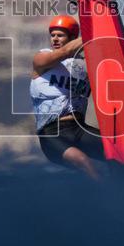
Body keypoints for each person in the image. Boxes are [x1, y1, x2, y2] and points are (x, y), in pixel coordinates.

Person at [30, 15, 105, 181]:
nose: (55, 39)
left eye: (60, 35)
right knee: (83, 161)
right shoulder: (42, 59)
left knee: (117, 150)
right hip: (52, 134)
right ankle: (109, 198)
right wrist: (94, 32)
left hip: (79, 128)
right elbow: (65, 52)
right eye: (53, 35)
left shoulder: (87, 65)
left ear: (72, 38)